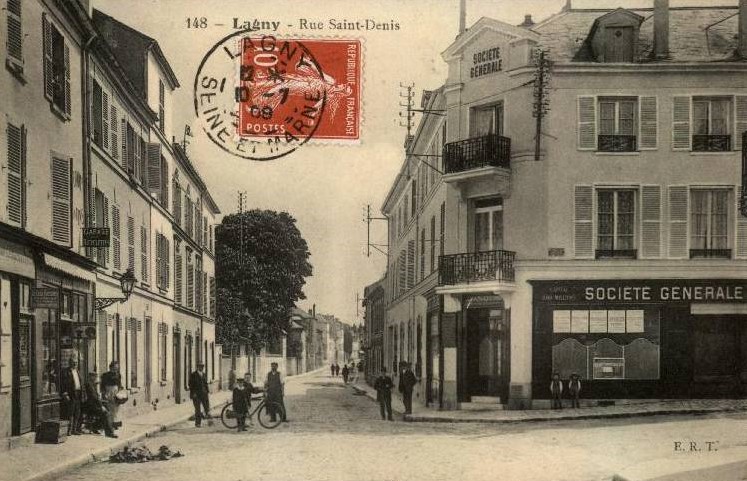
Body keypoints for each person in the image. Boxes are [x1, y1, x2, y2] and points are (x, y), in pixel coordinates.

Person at [83, 372, 117, 438]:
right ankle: (109, 433)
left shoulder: (92, 384)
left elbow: (96, 397)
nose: (96, 378)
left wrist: (102, 403)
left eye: (96, 377)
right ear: (91, 377)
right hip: (90, 406)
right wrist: (101, 406)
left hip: (93, 404)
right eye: (94, 377)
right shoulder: (89, 385)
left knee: (107, 408)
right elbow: (94, 397)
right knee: (105, 413)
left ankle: (95, 427)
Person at [61, 358, 83, 435]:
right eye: (73, 363)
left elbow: (80, 382)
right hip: (71, 394)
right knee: (70, 412)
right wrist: (65, 393)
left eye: (76, 363)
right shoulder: (66, 372)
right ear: (70, 363)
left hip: (78, 393)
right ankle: (69, 430)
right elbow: (63, 384)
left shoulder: (77, 371)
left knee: (77, 412)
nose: (75, 364)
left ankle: (75, 429)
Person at [101, 361, 123, 429]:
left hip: (116, 392)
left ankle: (115, 424)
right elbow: (103, 385)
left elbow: (119, 384)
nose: (115, 369)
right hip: (108, 392)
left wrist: (120, 392)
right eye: (114, 367)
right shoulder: (105, 375)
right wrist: (104, 393)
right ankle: (110, 424)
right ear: (111, 367)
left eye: (117, 368)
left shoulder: (118, 375)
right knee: (109, 408)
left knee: (116, 409)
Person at [188, 362, 211, 427]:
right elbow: (190, 385)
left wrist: (207, 391)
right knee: (197, 409)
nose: (202, 368)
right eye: (200, 367)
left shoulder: (204, 374)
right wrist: (193, 393)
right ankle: (198, 423)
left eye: (202, 367)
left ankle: (209, 422)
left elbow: (205, 384)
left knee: (207, 408)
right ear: (197, 367)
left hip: (204, 394)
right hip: (196, 395)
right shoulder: (193, 375)